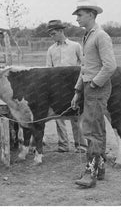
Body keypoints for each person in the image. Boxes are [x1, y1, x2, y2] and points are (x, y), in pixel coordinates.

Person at [70, 0, 117, 189]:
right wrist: (78, 90)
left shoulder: (101, 36)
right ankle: (101, 168)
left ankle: (91, 173)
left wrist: (95, 84)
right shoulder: (87, 36)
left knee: (92, 129)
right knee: (96, 127)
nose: (77, 19)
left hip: (97, 87)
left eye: (80, 15)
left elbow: (110, 66)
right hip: (89, 86)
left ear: (91, 14)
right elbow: (85, 67)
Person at [45, 20, 87, 153]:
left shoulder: (75, 46)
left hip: (73, 84)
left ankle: (80, 145)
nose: (52, 37)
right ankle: (63, 145)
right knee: (58, 116)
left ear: (61, 31)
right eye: (50, 34)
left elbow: (84, 64)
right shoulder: (51, 50)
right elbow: (48, 69)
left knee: (76, 114)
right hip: (57, 87)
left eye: (53, 34)